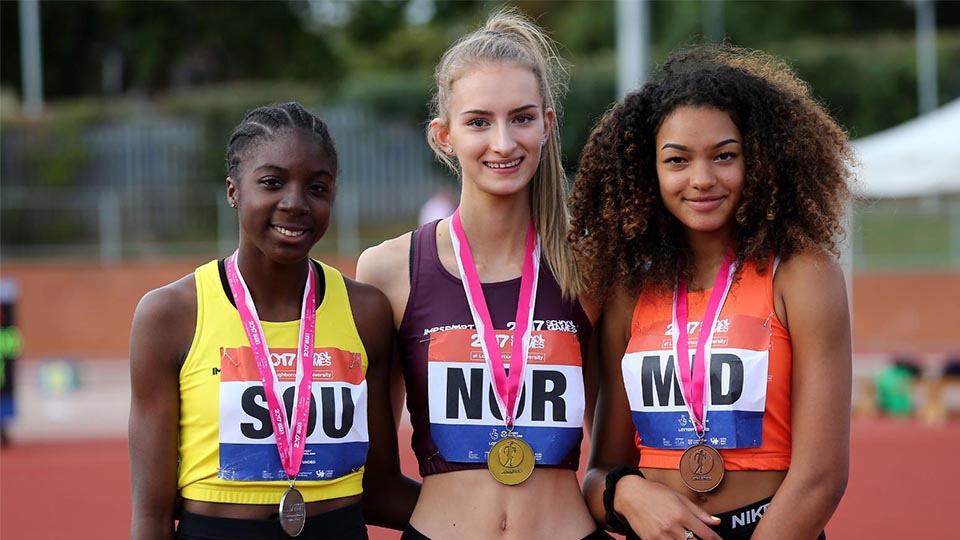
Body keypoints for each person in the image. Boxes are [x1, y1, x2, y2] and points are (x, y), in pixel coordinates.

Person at [569, 45, 853, 540]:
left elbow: (820, 480)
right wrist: (627, 493)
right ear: (647, 173)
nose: (702, 180)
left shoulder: (800, 274)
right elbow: (599, 474)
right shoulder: (628, 291)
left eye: (725, 156)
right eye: (677, 160)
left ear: (760, 159)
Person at [356, 8, 609, 540]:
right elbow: (371, 474)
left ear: (547, 123)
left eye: (521, 118)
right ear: (443, 136)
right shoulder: (389, 271)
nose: (503, 143)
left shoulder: (591, 269)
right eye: (478, 122)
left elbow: (611, 466)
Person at [128, 102, 417, 540]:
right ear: (233, 191)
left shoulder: (367, 313)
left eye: (317, 188)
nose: (295, 203)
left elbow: (378, 489)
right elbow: (151, 515)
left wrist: (500, 517)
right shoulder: (170, 315)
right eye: (272, 182)